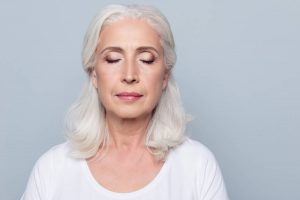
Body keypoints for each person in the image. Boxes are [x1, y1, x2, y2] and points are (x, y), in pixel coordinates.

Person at [21, 4, 229, 200]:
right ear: (93, 73)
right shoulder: (52, 170)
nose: (129, 75)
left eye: (146, 59)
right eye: (113, 59)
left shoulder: (197, 166)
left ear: (165, 75)